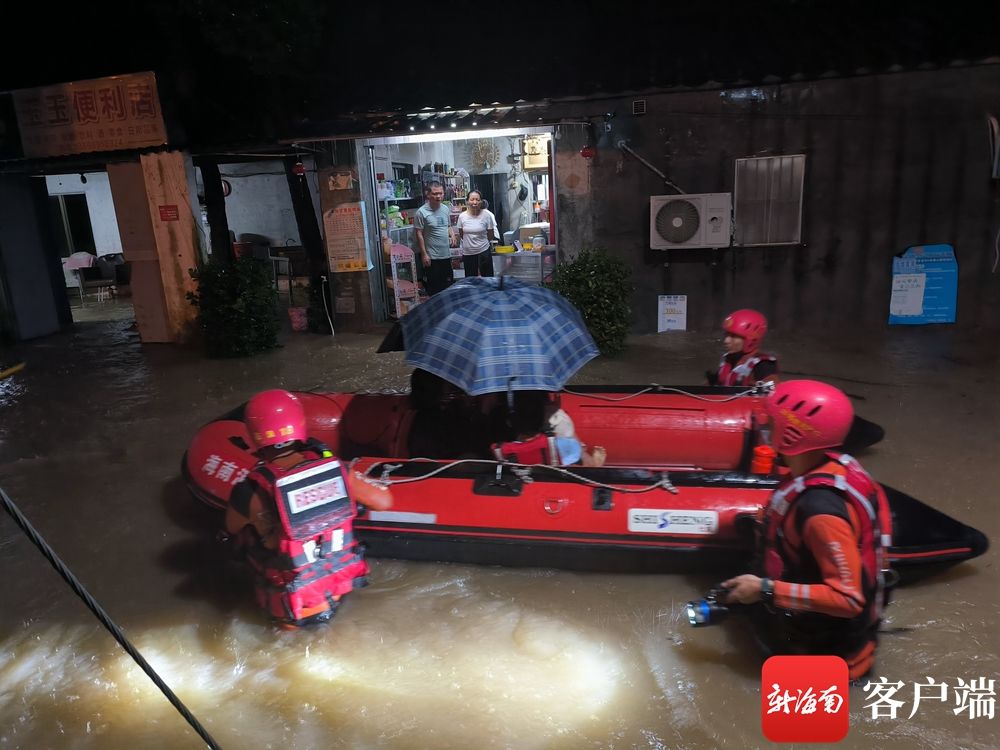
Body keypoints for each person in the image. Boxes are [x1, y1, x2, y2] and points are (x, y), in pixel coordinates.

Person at [719, 380, 893, 680]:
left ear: (792, 434)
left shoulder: (820, 511)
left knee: (791, 726)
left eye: (772, 421)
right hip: (810, 626)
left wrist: (765, 589)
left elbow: (848, 600)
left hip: (823, 653)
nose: (765, 426)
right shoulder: (834, 465)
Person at [225, 389, 392, 628]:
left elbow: (231, 526)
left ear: (253, 437)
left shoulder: (250, 492)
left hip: (291, 611)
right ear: (300, 425)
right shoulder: (340, 471)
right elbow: (385, 502)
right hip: (335, 590)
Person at [492, 390, 606, 467]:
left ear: (510, 422)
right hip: (556, 469)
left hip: (521, 478)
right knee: (576, 448)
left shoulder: (500, 449)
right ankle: (592, 463)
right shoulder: (565, 443)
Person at [708, 308, 779, 387]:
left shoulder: (763, 365)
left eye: (733, 336)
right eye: (726, 335)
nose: (726, 341)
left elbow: (772, 393)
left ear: (751, 339)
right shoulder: (728, 359)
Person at [414, 180, 457, 295]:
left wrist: (452, 234)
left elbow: (448, 226)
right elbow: (419, 233)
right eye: (435, 193)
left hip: (446, 255)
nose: (438, 196)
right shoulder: (421, 212)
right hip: (431, 257)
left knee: (448, 286)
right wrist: (424, 254)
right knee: (434, 289)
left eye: (441, 193)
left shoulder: (445, 208)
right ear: (427, 194)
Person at [455, 190, 498, 278]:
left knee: (488, 280)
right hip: (468, 253)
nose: (475, 202)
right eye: (472, 199)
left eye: (477, 200)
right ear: (467, 201)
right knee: (471, 281)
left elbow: (490, 235)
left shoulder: (487, 215)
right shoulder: (462, 216)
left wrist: (480, 243)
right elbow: (461, 234)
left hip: (484, 252)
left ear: (481, 201)